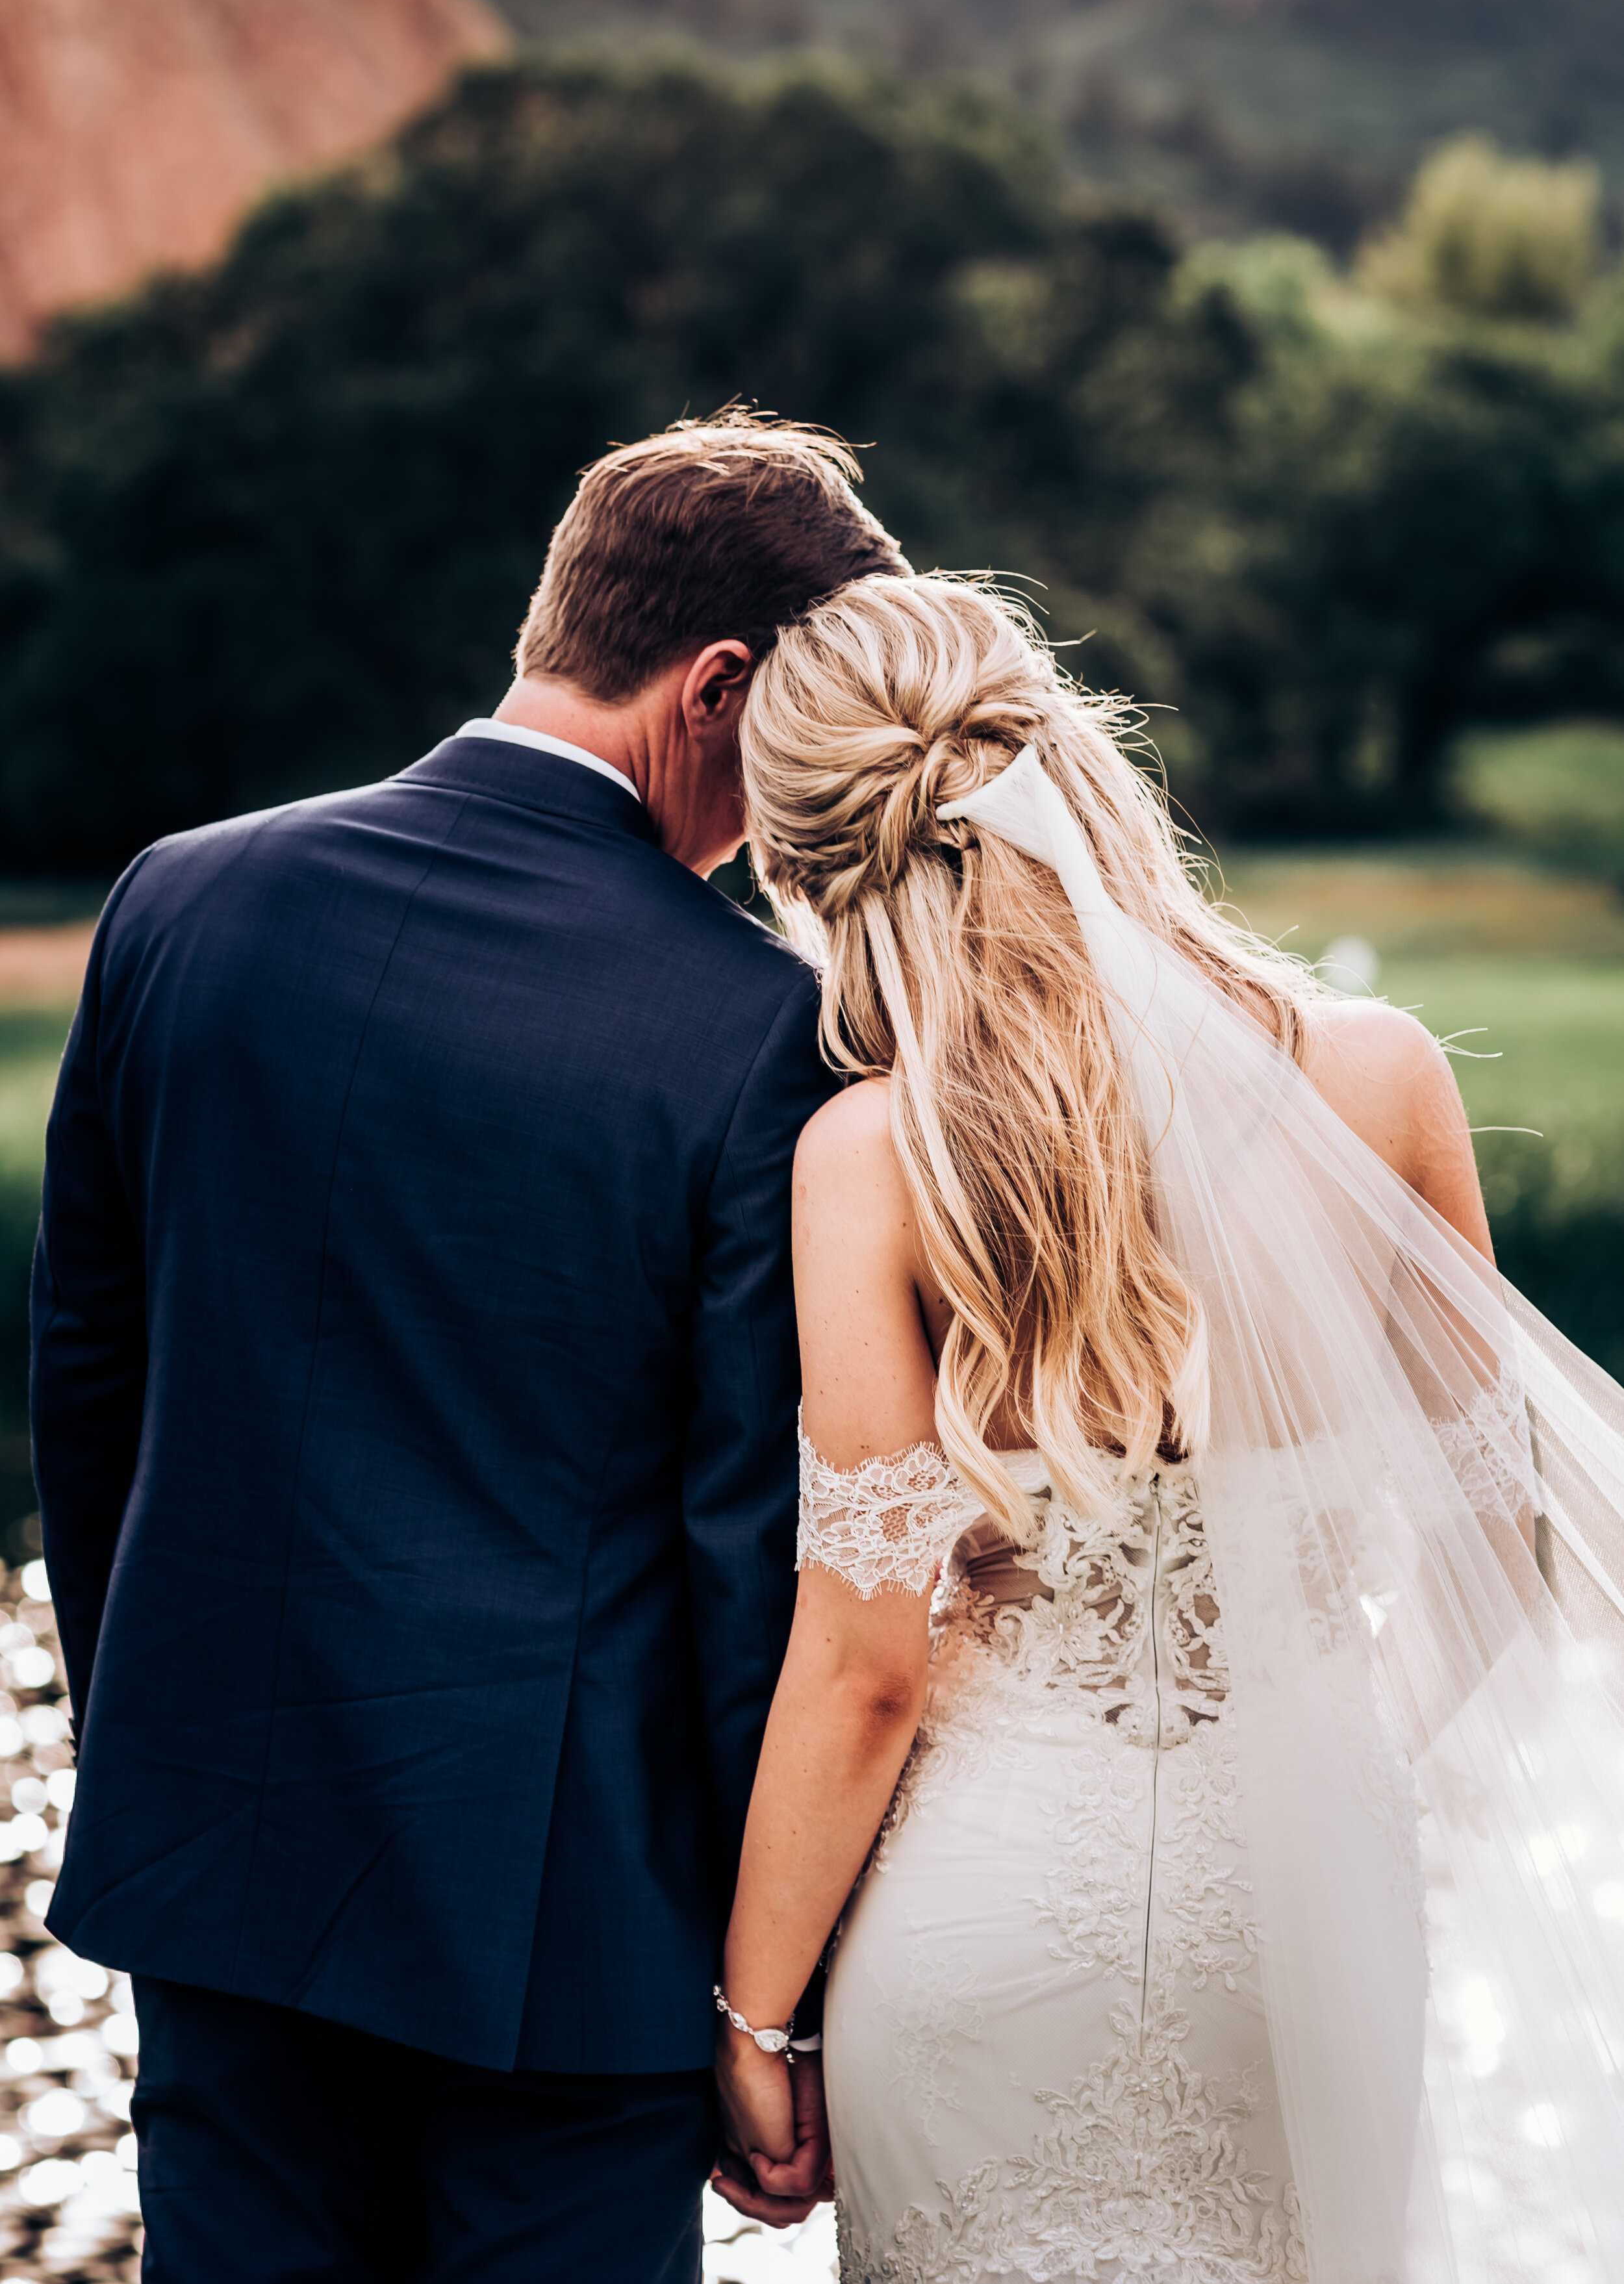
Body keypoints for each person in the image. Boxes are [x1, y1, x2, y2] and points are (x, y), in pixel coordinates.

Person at [30, 412, 903, 2281]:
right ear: (718, 682)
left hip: (217, 1868)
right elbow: (744, 1540)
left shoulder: (178, 898)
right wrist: (777, 1999)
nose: (777, 814)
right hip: (564, 1927)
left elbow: (89, 1390)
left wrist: (164, 1753)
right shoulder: (759, 1032)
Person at [712, 572, 1624, 2281]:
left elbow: (865, 1661)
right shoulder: (1375, 1071)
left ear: (820, 873)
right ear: (1072, 762)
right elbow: (1494, 1556)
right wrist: (1307, 1754)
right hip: (1302, 1915)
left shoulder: (871, 1158)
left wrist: (753, 2016)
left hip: (981, 1911)